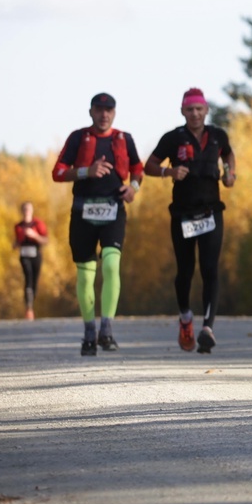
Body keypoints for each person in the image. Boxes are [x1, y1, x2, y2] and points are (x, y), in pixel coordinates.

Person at [144, 88, 236, 355]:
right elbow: (149, 164)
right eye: (189, 109)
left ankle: (207, 328)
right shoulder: (173, 138)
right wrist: (169, 171)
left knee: (210, 269)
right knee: (185, 271)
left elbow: (228, 155)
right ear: (182, 111)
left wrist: (230, 174)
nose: (194, 114)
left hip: (211, 213)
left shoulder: (218, 136)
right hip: (183, 214)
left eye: (199, 109)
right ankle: (186, 317)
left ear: (206, 110)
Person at [51, 92, 143, 356]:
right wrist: (86, 171)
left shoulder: (124, 139)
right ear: (90, 112)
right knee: (85, 274)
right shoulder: (78, 138)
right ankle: (89, 332)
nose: (104, 114)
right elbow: (57, 172)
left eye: (109, 110)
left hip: (114, 210)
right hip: (83, 213)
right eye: (99, 109)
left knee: (112, 265)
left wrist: (133, 188)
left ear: (114, 113)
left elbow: (138, 169)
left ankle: (107, 329)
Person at [13, 201, 49, 320]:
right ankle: (28, 308)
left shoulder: (38, 224)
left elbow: (45, 240)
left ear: (32, 211)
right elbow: (17, 242)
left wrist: (34, 235)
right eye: (25, 209)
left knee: (34, 281)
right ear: (22, 211)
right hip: (24, 255)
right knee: (28, 276)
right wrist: (16, 244)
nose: (27, 211)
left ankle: (31, 303)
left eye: (29, 209)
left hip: (36, 254)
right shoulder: (18, 226)